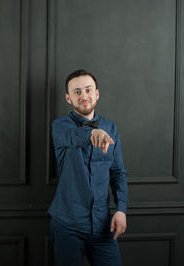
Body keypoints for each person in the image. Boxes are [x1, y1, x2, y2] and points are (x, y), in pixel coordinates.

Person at [48, 69, 128, 266]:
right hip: (67, 225)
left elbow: (118, 172)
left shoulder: (111, 128)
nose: (83, 96)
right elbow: (72, 137)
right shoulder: (60, 126)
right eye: (76, 92)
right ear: (68, 98)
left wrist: (121, 209)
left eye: (88, 90)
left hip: (102, 226)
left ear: (97, 94)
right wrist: (93, 134)